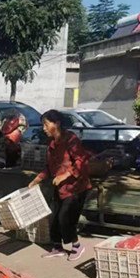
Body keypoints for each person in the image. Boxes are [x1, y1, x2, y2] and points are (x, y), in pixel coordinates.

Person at [28, 109, 91, 261]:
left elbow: (81, 161)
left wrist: (65, 175)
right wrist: (37, 179)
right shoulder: (52, 144)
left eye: (46, 124)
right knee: (54, 218)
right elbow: (49, 168)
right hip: (60, 188)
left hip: (75, 188)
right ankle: (57, 247)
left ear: (56, 123)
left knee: (65, 218)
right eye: (43, 125)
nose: (44, 128)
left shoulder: (71, 139)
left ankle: (77, 246)